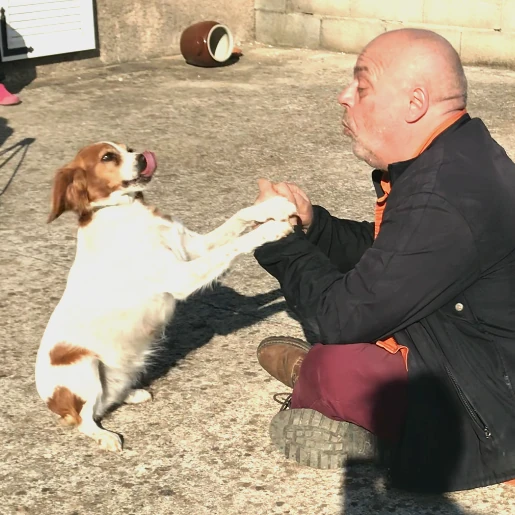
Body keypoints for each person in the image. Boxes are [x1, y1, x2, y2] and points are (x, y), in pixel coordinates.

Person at [252, 27, 515, 493]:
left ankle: (313, 381)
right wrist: (316, 228)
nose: (343, 96)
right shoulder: (455, 154)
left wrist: (279, 239)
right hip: (474, 345)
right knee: (348, 340)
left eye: (362, 85)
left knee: (332, 363)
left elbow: (340, 317)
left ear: (414, 104)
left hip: (491, 409)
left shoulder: (444, 196)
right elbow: (394, 253)